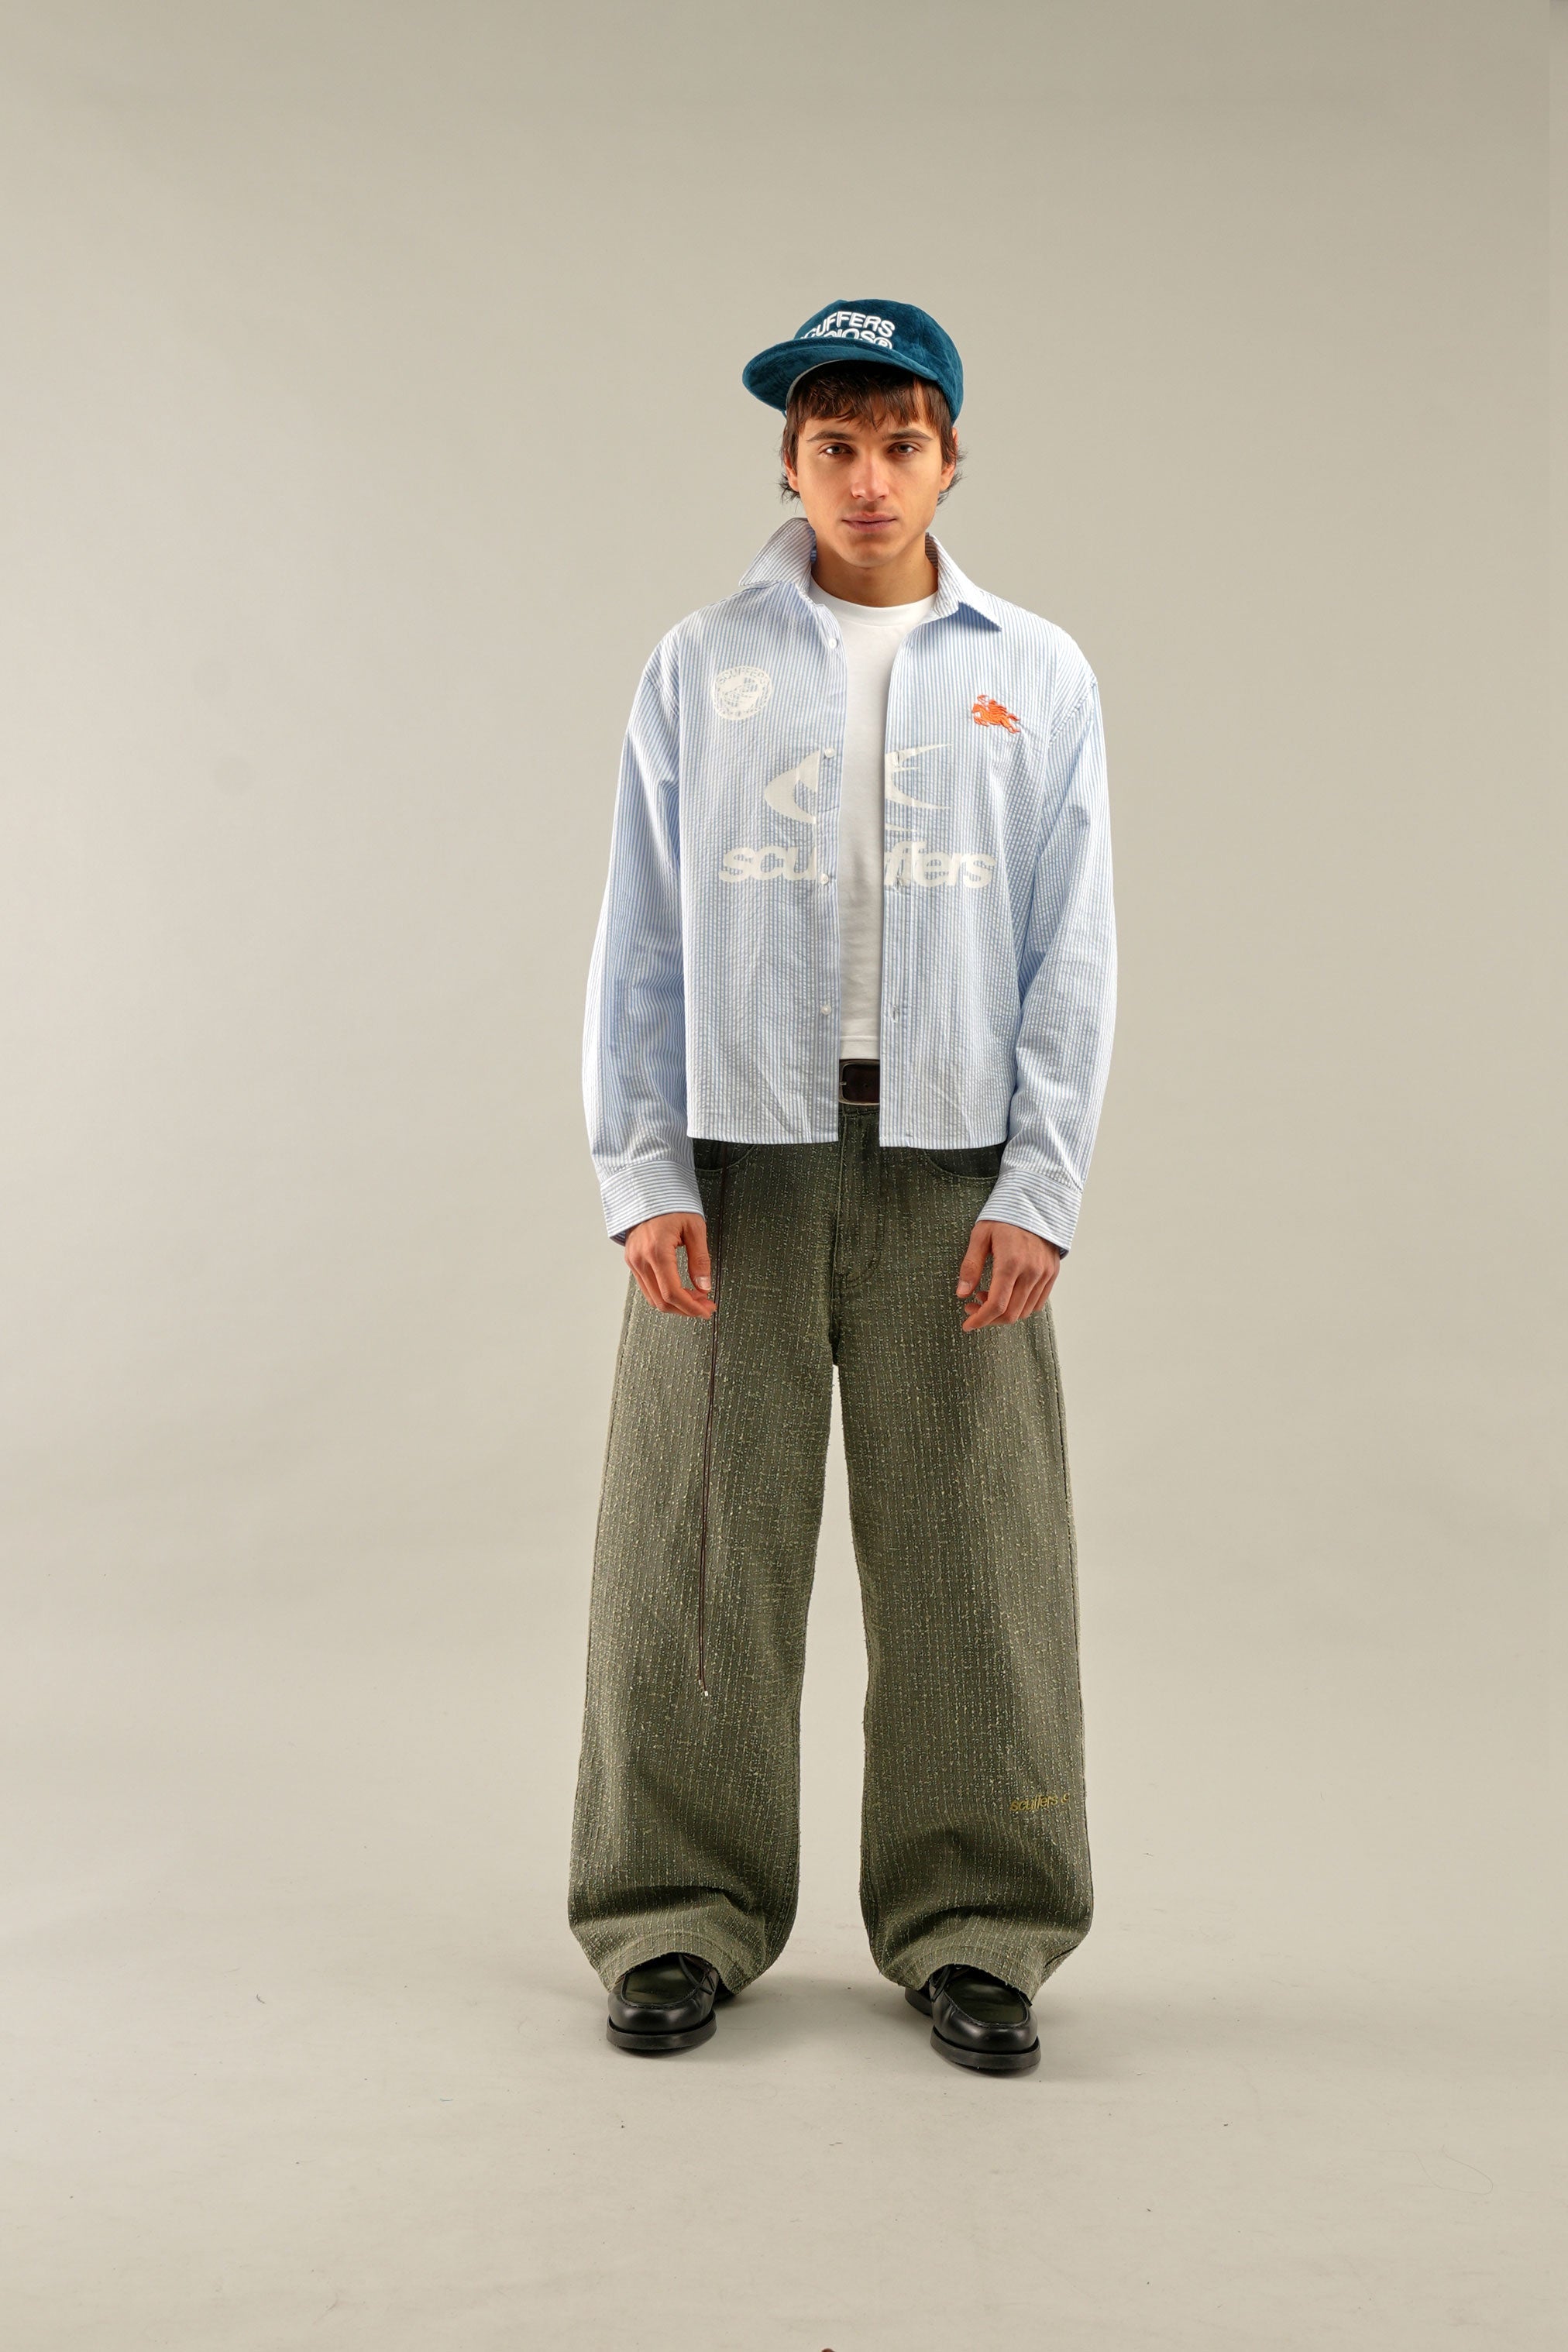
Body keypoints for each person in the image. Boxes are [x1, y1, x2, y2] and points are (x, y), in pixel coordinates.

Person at [568, 299, 1116, 2075]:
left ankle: (978, 1927)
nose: (866, 477)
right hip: (737, 1165)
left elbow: (1074, 949)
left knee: (974, 1556)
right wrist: (642, 1165)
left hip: (951, 1168)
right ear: (788, 465)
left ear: (950, 460)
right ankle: (674, 1913)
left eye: (898, 443)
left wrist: (1040, 1183)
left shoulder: (1035, 672)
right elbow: (641, 932)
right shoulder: (702, 663)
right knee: (695, 1550)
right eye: (833, 446)